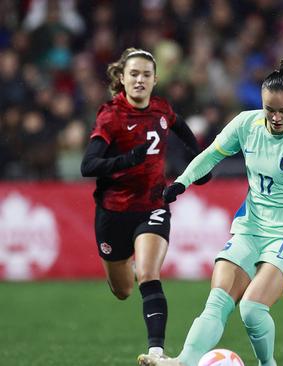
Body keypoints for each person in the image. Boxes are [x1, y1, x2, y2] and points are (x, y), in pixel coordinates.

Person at [137, 50, 283, 366]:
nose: (275, 118)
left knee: (252, 308)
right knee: (217, 300)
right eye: (269, 109)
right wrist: (182, 182)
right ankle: (184, 362)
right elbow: (211, 154)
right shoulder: (246, 124)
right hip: (251, 226)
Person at [80, 48, 210, 358]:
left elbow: (181, 129)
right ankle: (127, 260)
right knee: (123, 290)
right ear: (122, 78)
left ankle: (155, 353)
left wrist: (200, 162)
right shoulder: (110, 115)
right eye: (134, 74)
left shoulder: (162, 109)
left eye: (146, 75)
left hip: (153, 205)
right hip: (113, 212)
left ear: (155, 79)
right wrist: (127, 160)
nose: (140, 79)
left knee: (150, 274)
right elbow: (88, 166)